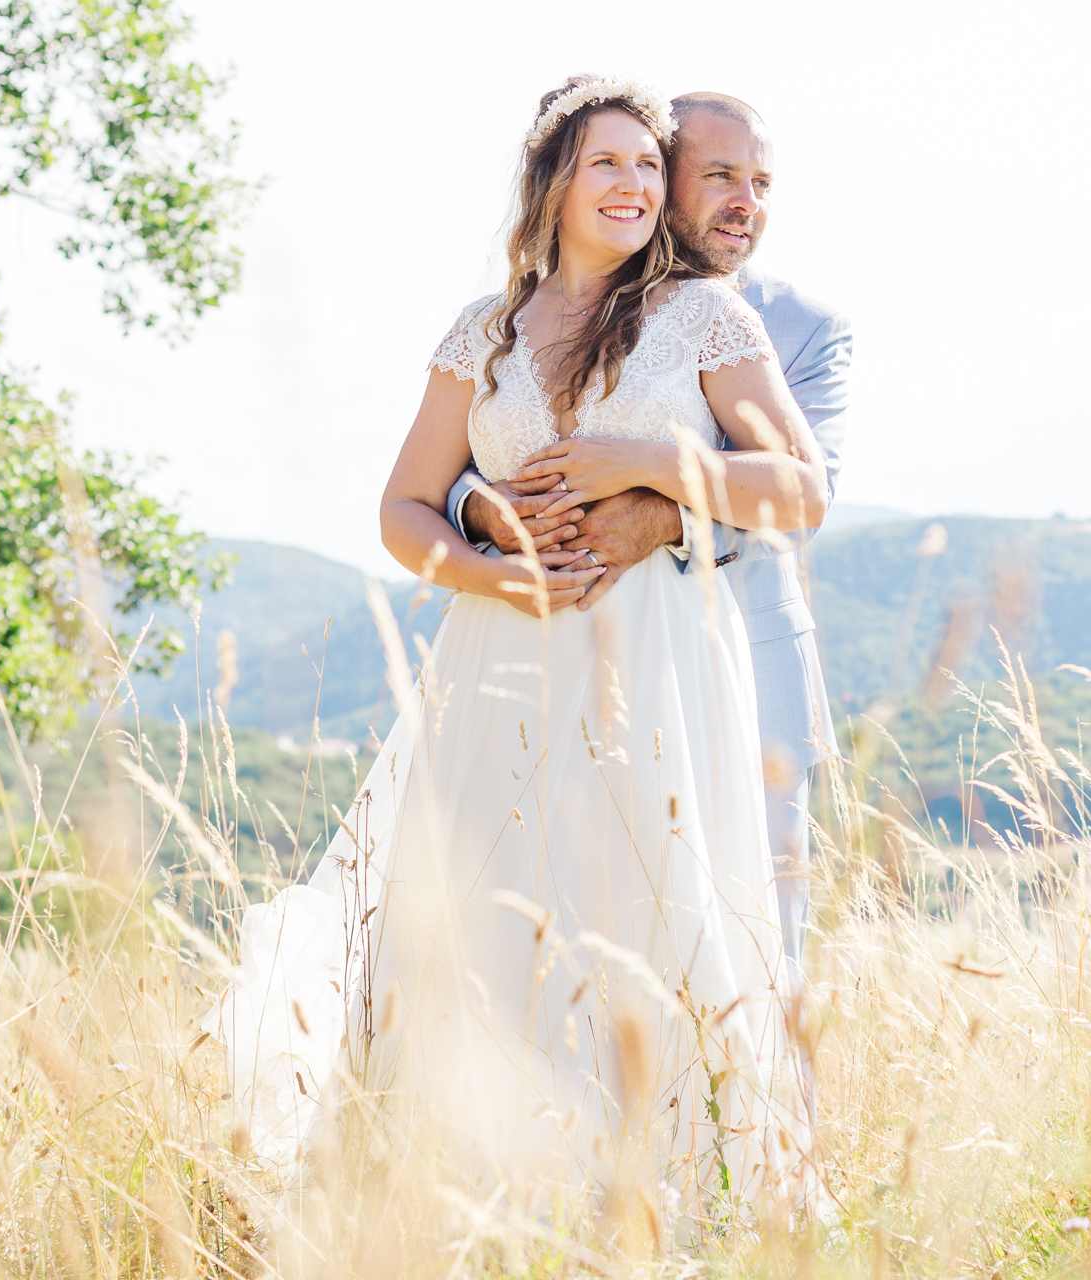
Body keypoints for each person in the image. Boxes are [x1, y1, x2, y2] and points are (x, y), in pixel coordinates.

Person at [204, 76, 825, 1213]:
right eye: (610, 164)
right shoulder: (482, 331)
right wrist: (489, 573)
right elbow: (404, 508)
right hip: (494, 662)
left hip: (654, 663)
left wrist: (644, 461)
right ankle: (467, 1191)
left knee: (642, 903)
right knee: (484, 915)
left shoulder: (703, 317)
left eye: (650, 166)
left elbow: (798, 488)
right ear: (551, 184)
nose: (636, 185)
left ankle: (662, 1190)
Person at [445, 91, 849, 982]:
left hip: (741, 640)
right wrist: (486, 512)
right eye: (718, 177)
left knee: (752, 928)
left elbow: (811, 489)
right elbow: (469, 460)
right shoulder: (522, 314)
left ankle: (756, 1123)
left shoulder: (801, 325)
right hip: (549, 642)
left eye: (761, 182)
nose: (745, 201)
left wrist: (656, 505)